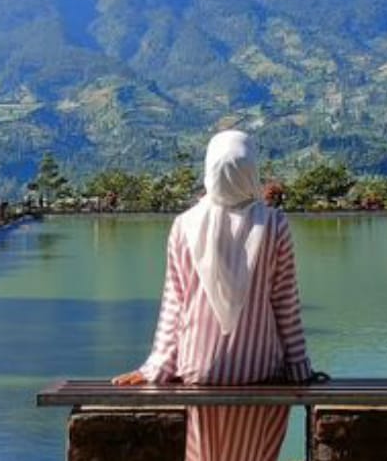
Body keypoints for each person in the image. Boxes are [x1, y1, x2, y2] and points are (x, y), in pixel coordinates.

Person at [112, 130, 312, 461]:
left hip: (196, 371)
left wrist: (156, 368)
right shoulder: (275, 225)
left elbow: (174, 305)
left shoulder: (184, 225)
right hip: (259, 372)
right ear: (251, 170)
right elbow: (285, 305)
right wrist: (300, 369)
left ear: (210, 171)